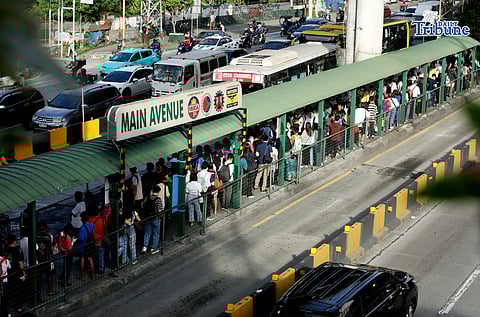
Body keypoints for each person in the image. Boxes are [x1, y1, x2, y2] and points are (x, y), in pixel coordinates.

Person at [5, 234, 27, 313]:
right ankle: (19, 307)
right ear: (14, 241)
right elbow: (20, 263)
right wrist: (23, 272)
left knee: (13, 289)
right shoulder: (16, 250)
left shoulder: (6, 249)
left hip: (9, 272)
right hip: (17, 272)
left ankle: (12, 304)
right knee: (20, 290)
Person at [141, 185, 163, 254]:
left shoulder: (147, 198)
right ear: (159, 191)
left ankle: (144, 248)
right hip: (156, 218)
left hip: (147, 218)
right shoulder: (158, 200)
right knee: (156, 233)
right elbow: (159, 210)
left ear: (152, 191)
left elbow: (142, 206)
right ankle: (153, 248)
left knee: (147, 233)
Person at [36, 221, 56, 296]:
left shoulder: (36, 236)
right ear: (46, 228)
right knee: (50, 274)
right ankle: (51, 290)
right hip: (49, 258)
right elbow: (53, 245)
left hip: (40, 258)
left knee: (40, 274)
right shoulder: (50, 236)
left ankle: (38, 291)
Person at [77, 212, 95, 281]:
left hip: (83, 246)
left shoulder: (82, 228)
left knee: (82, 260)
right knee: (90, 260)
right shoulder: (92, 225)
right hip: (91, 245)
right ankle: (93, 276)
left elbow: (81, 238)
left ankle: (82, 276)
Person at [88, 209, 105, 274]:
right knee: (101, 254)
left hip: (92, 241)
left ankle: (91, 269)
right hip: (100, 240)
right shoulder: (101, 219)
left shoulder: (89, 220)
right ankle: (101, 268)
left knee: (92, 255)